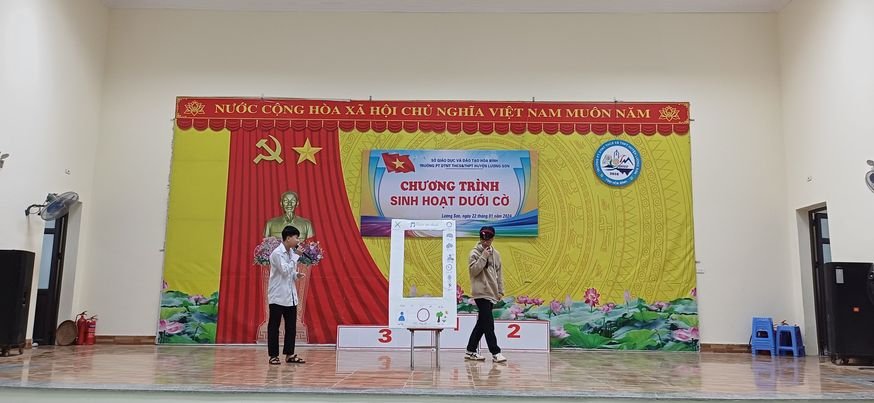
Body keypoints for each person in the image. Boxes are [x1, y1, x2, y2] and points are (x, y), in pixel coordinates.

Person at [465, 226, 507, 363]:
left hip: (492, 292)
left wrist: (500, 290)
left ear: (493, 238)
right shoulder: (474, 253)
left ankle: (470, 350)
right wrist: (483, 256)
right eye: (483, 239)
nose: (485, 242)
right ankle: (495, 352)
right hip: (480, 293)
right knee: (488, 323)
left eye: (488, 239)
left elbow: (499, 274)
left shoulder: (497, 254)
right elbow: (473, 271)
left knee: (482, 323)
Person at [267, 225, 306, 365]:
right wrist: (296, 256)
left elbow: (289, 273)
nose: (298, 240)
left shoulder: (290, 252)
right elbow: (284, 270)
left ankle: (289, 354)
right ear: (288, 238)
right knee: (274, 327)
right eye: (296, 237)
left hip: (290, 296)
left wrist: (296, 275)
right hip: (278, 296)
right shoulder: (277, 253)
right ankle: (273, 355)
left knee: (291, 327)